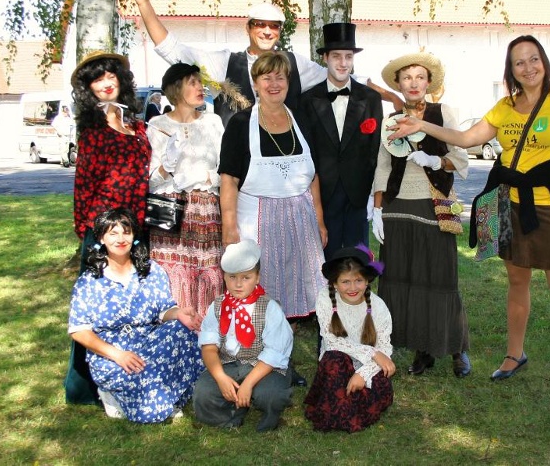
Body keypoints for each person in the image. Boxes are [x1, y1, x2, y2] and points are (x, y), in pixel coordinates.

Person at [388, 35, 550, 392]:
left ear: (544, 62)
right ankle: (514, 354)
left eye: (534, 59)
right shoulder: (505, 106)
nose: (528, 67)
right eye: (519, 62)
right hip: (505, 201)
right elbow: (466, 138)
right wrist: (422, 125)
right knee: (516, 280)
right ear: (511, 70)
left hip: (547, 203)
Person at [125, 0, 404, 125]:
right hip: (240, 169)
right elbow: (172, 49)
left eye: (274, 26)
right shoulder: (224, 63)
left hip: (285, 164)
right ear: (248, 27)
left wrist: (390, 96)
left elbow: (344, 79)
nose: (267, 31)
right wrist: (144, 3)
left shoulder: (295, 64)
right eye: (260, 24)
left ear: (280, 31)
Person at [371, 52, 472, 378]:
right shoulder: (391, 119)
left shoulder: (443, 114)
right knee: (406, 278)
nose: (413, 83)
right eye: (407, 78)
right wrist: (377, 208)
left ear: (428, 83)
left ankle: (456, 348)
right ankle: (422, 348)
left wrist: (435, 161)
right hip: (398, 206)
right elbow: (382, 165)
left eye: (419, 77)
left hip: (434, 203)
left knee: (440, 277)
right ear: (399, 84)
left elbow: (460, 158)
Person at [66, 51, 151, 405]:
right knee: (95, 309)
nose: (105, 83)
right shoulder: (92, 130)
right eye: (97, 79)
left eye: (109, 76)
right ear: (89, 88)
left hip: (136, 229)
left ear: (120, 79)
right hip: (104, 232)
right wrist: (89, 233)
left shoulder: (137, 125)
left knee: (134, 306)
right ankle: (83, 388)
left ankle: (133, 376)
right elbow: (83, 184)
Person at [68, 208, 204, 423]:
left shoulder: (151, 271)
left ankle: (158, 394)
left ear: (134, 236)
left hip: (149, 346)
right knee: (152, 412)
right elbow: (79, 331)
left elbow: (164, 310)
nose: (121, 239)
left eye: (126, 232)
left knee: (181, 330)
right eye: (113, 233)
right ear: (102, 238)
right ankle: (116, 395)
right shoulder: (89, 280)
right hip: (112, 355)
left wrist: (179, 314)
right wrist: (118, 355)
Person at [218, 51, 327, 320]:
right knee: (259, 285)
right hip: (255, 220)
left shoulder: (301, 120)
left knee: (296, 280)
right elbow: (229, 179)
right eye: (267, 78)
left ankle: (286, 335)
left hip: (300, 218)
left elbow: (313, 175)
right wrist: (229, 227)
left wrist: (320, 221)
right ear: (255, 83)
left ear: (288, 83)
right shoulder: (240, 124)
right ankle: (257, 338)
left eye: (280, 77)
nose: (274, 84)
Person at [296, 23, 383, 260]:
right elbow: (307, 152)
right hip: (323, 194)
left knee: (359, 260)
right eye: (336, 56)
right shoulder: (307, 100)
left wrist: (372, 196)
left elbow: (374, 149)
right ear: (325, 58)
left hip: (358, 195)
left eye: (348, 56)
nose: (343, 63)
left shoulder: (371, 98)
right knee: (326, 261)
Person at [147, 63, 225, 317]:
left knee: (208, 277)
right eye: (192, 82)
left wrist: (204, 176)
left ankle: (208, 336)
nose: (200, 87)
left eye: (200, 82)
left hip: (206, 213)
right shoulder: (157, 125)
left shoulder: (213, 122)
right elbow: (149, 181)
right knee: (173, 276)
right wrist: (166, 167)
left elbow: (227, 171)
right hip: (169, 214)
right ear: (176, 89)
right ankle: (174, 333)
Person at [193, 239, 294, 432]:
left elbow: (274, 352)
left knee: (271, 395)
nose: (238, 284)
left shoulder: (269, 308)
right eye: (232, 277)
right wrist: (220, 377)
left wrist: (248, 384)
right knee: (202, 395)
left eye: (246, 277)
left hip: (262, 366)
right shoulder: (217, 306)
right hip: (229, 364)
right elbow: (209, 347)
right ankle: (232, 414)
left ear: (257, 278)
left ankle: (263, 409)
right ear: (224, 277)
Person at [304, 245, 394, 433]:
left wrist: (362, 373)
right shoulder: (325, 298)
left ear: (367, 281)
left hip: (369, 366)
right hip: (338, 362)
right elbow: (332, 341)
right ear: (335, 283)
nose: (352, 288)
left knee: (378, 383)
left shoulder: (378, 306)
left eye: (358, 280)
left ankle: (348, 407)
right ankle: (344, 412)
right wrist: (372, 353)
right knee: (334, 360)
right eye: (345, 282)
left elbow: (384, 350)